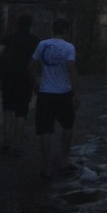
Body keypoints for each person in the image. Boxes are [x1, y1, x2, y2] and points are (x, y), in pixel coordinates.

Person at [29, 18, 80, 179]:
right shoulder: (69, 47)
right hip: (64, 93)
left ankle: (46, 167)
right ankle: (64, 160)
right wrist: (76, 93)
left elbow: (30, 67)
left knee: (45, 129)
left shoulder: (42, 45)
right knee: (67, 126)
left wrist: (35, 84)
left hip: (45, 93)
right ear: (65, 30)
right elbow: (72, 70)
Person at [0, 14, 39, 154]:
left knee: (7, 108)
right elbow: (37, 62)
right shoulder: (34, 40)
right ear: (30, 25)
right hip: (25, 79)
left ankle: (7, 140)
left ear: (16, 24)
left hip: (8, 78)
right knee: (21, 112)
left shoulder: (8, 38)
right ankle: (18, 145)